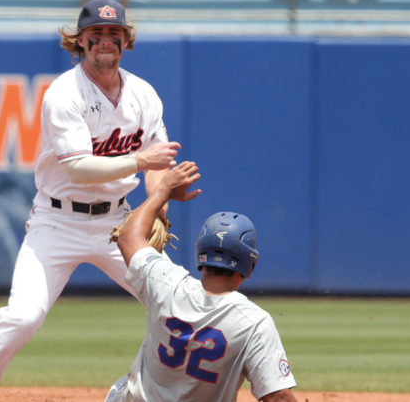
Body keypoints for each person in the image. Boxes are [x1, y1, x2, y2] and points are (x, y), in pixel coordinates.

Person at [0, 0, 180, 401]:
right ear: (80, 41)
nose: (106, 41)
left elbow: (158, 162)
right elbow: (79, 169)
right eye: (97, 34)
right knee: (23, 317)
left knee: (177, 306)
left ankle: (134, 392)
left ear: (126, 41)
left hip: (119, 226)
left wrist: (159, 201)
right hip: (56, 223)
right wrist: (141, 161)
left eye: (114, 34)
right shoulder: (64, 93)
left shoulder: (143, 94)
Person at [105, 160, 298, 402]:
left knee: (123, 387)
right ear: (250, 263)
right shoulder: (254, 322)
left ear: (200, 254)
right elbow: (277, 396)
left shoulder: (165, 281)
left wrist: (162, 190)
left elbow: (128, 237)